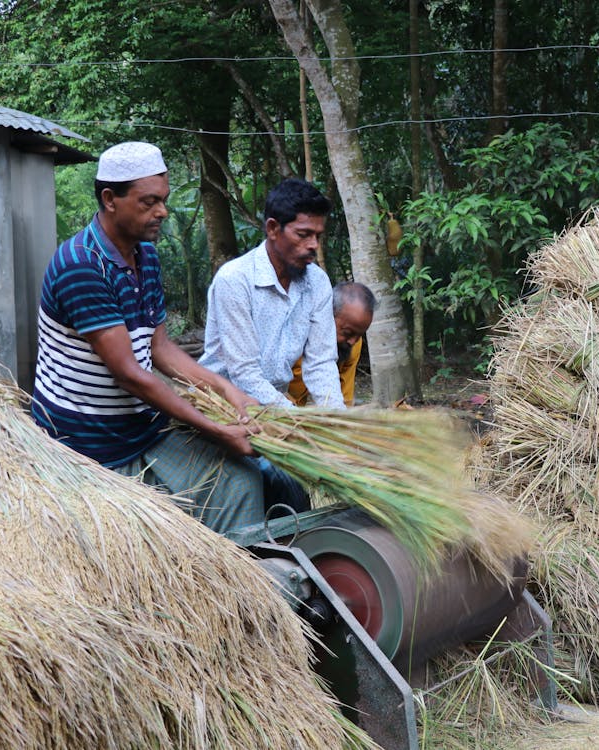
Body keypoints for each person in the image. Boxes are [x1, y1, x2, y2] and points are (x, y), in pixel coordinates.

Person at [30, 141, 270, 540]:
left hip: (141, 428)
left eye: (164, 200)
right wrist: (215, 429)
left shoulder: (146, 256)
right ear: (110, 199)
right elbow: (130, 375)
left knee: (241, 486)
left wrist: (229, 391)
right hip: (87, 445)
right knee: (149, 538)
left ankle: (237, 588)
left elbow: (160, 348)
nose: (162, 211)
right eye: (149, 202)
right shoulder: (81, 266)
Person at [200, 178, 345, 409]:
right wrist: (297, 419)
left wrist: (339, 420)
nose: (313, 245)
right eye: (303, 234)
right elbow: (244, 373)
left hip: (275, 406)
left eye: (317, 235)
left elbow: (321, 363)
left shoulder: (317, 282)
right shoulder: (235, 279)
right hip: (222, 403)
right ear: (272, 228)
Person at [287, 281, 375, 407]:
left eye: (359, 335)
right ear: (327, 315)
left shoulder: (352, 345)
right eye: (347, 332)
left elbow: (345, 397)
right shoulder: (294, 333)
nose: (353, 341)